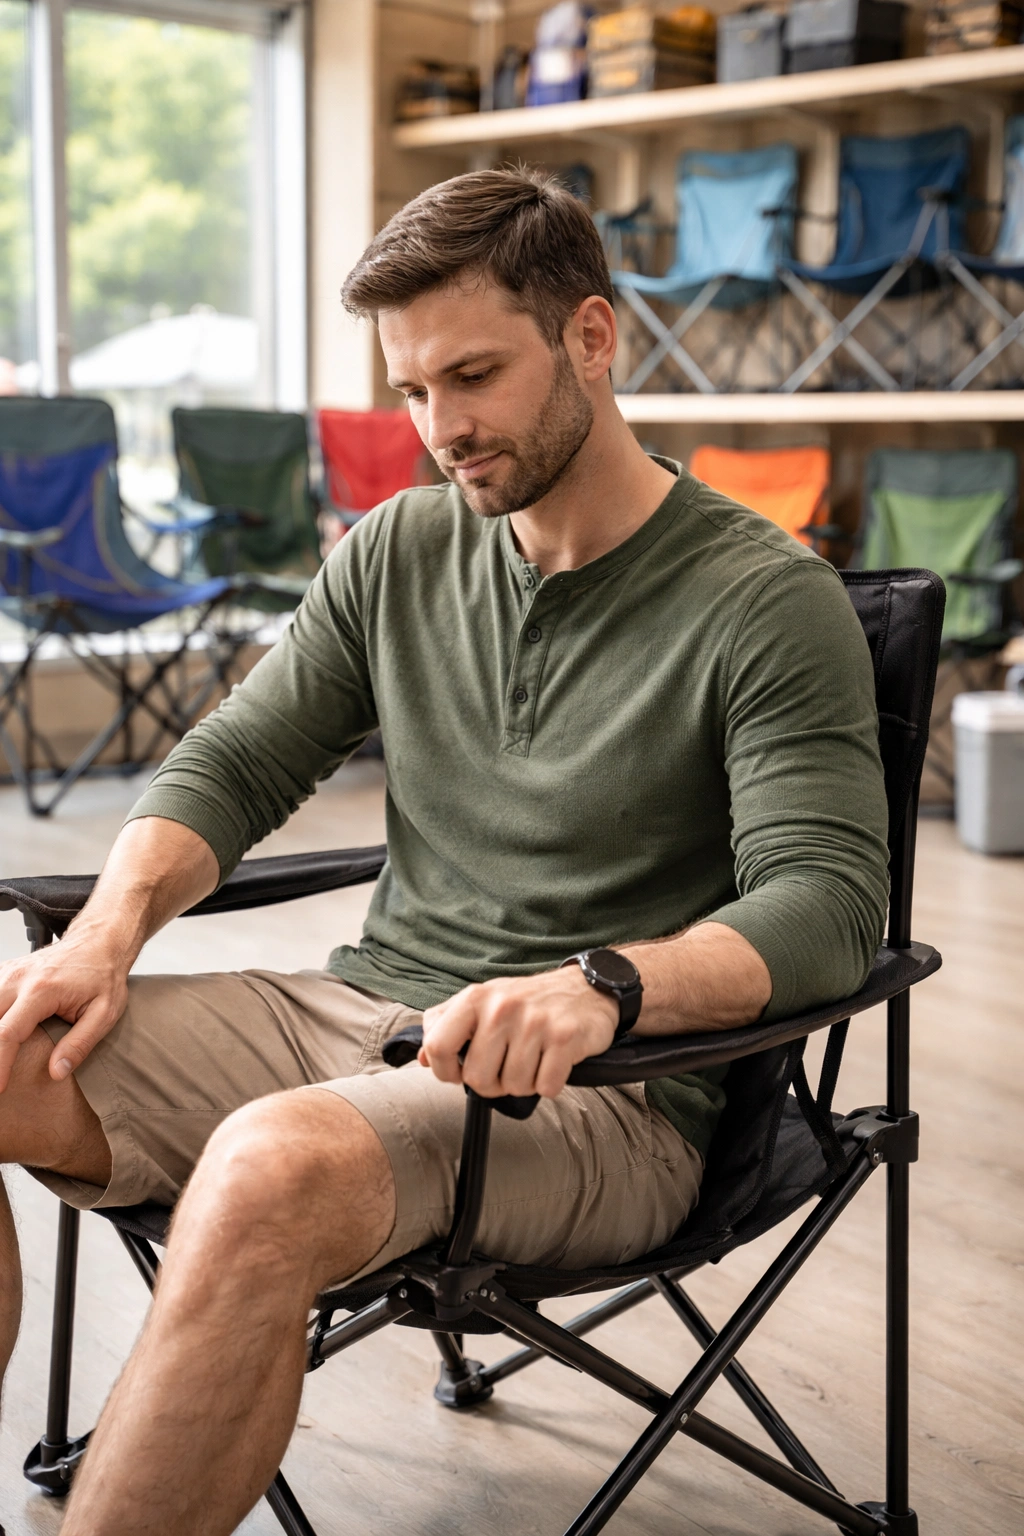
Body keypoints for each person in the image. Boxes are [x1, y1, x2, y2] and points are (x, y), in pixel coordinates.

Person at [0, 169, 888, 1535]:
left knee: (268, 1167)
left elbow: (829, 906)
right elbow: (234, 762)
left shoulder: (767, 602)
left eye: (472, 375)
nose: (441, 429)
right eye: (413, 391)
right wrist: (110, 935)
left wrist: (604, 988)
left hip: (610, 1095)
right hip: (360, 1018)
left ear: (594, 337)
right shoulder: (402, 548)